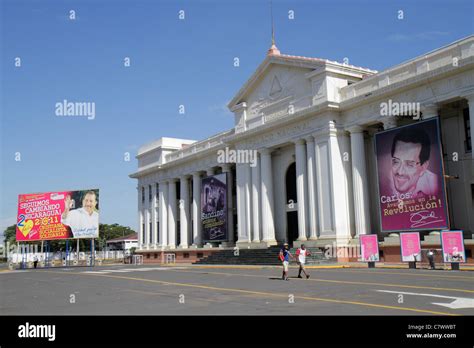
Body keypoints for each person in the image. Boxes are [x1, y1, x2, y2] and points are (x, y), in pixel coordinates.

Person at [390, 127, 438, 198]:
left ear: (423, 167)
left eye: (409, 164)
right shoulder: (384, 183)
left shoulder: (436, 185)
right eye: (396, 162)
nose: (400, 172)